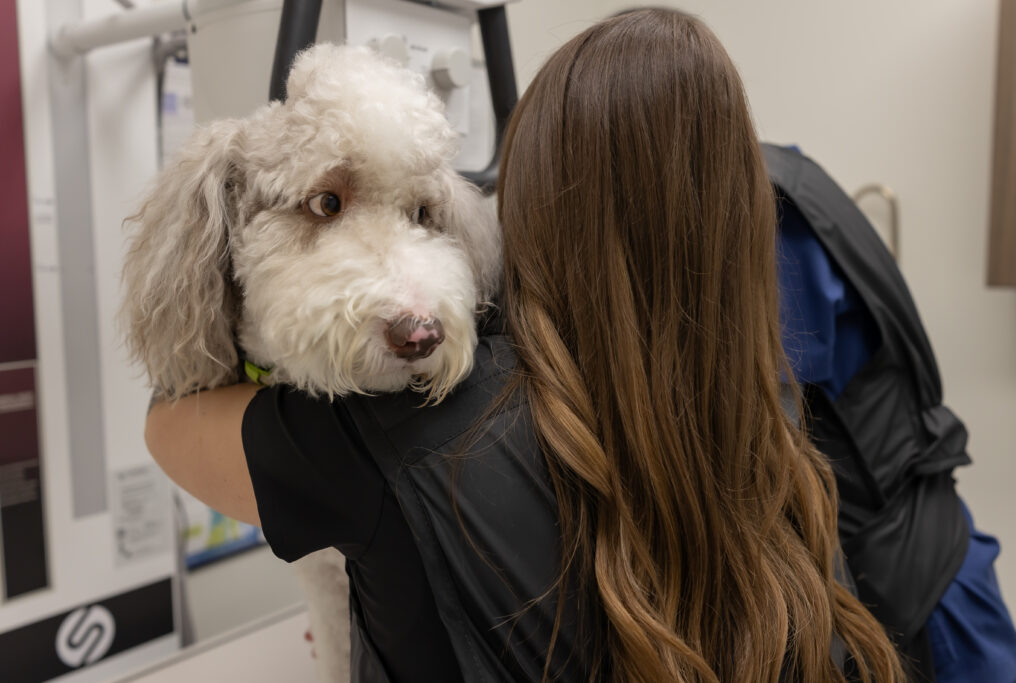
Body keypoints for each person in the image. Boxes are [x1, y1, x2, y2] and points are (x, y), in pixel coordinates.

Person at [144, 9, 906, 682]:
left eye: (423, 213)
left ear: (527, 212)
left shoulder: (385, 440)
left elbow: (171, 421)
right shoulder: (781, 438)